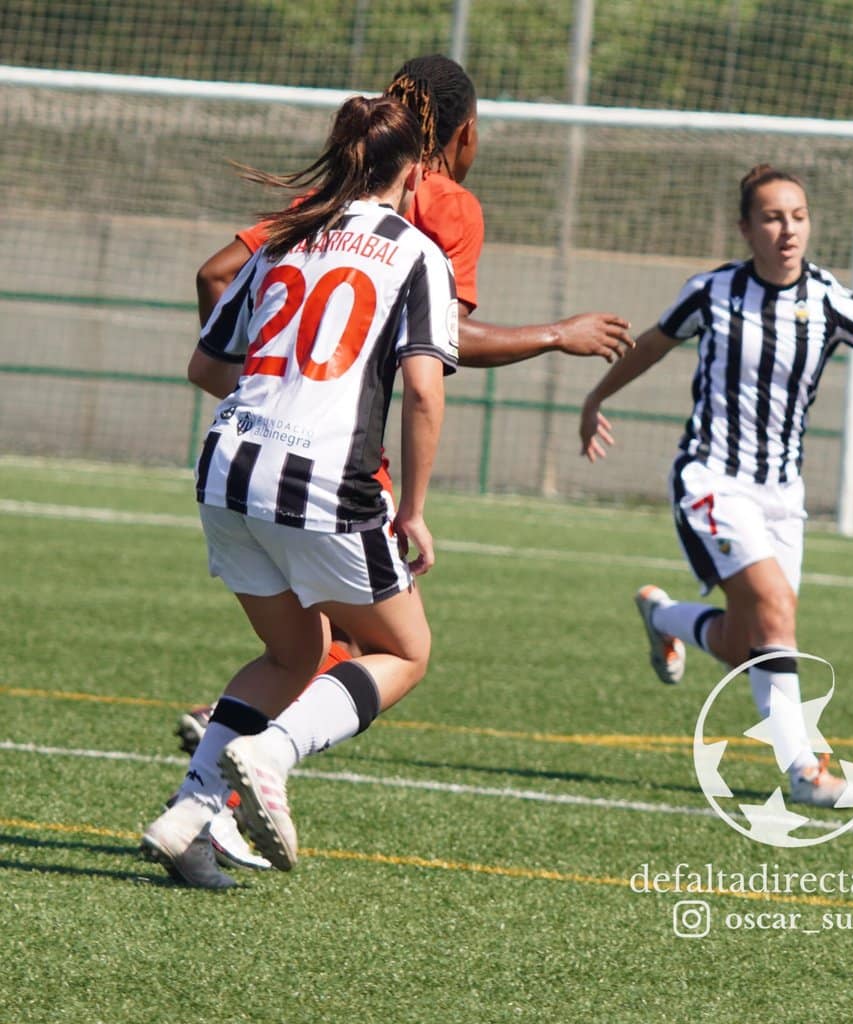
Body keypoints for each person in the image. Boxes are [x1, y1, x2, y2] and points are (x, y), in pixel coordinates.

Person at [177, 53, 633, 756]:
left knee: (321, 641)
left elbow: (217, 273)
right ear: (466, 134)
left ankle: (221, 768)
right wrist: (554, 334)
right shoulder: (446, 204)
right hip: (342, 459)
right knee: (389, 643)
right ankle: (250, 763)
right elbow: (436, 348)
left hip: (251, 447)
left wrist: (272, 380)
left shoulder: (329, 197)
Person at [579, 164, 853, 806]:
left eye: (797, 216)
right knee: (775, 609)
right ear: (746, 228)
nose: (787, 229)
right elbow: (654, 344)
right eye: (771, 217)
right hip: (710, 476)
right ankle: (804, 770)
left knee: (750, 641)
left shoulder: (829, 301)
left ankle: (666, 617)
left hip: (782, 494)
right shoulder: (711, 292)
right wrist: (597, 395)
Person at [140, 94, 456, 888]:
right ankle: (273, 753)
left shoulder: (288, 236)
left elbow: (206, 367)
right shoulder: (417, 254)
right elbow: (423, 391)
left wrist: (281, 390)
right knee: (403, 651)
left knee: (296, 653)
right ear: (413, 170)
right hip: (324, 478)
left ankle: (186, 817)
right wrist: (413, 507)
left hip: (227, 466)